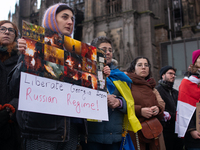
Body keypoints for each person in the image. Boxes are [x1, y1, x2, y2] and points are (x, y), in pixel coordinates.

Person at [10, 3, 103, 150]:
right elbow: (14, 88)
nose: (70, 22)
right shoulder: (34, 46)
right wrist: (25, 58)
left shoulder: (80, 56)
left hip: (70, 132)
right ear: (52, 19)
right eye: (64, 17)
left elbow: (89, 95)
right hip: (41, 131)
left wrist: (100, 77)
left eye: (72, 18)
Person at [81, 36, 127, 150]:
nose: (108, 53)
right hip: (92, 135)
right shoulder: (83, 72)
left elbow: (129, 103)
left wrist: (119, 102)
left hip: (114, 137)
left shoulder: (120, 76)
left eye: (110, 50)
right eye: (104, 49)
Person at [126, 56, 164, 150]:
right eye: (140, 65)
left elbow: (160, 104)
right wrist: (140, 111)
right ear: (133, 69)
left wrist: (157, 109)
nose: (143, 67)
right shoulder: (127, 83)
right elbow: (122, 104)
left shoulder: (151, 85)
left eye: (146, 65)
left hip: (153, 129)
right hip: (135, 131)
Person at [0, 20, 22, 150]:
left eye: (11, 30)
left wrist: (9, 109)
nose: (7, 31)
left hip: (11, 124)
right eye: (2, 29)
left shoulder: (21, 60)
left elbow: (25, 90)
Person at [175, 49, 200, 150]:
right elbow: (183, 109)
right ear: (195, 61)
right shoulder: (187, 83)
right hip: (195, 134)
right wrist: (192, 129)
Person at [156, 66, 184, 150]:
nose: (173, 76)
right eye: (170, 73)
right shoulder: (157, 90)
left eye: (174, 74)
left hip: (177, 130)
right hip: (165, 131)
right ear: (163, 75)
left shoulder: (175, 92)